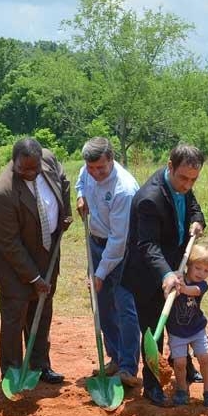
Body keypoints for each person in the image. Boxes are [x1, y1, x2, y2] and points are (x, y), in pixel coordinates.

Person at [121, 143, 206, 406]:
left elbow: (193, 205)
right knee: (152, 329)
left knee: (181, 319)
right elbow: (147, 245)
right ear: (170, 166)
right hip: (148, 274)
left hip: (176, 269)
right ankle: (152, 383)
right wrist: (165, 274)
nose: (188, 185)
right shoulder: (150, 198)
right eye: (183, 178)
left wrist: (197, 220)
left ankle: (184, 366)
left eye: (194, 179)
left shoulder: (184, 185)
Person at [0, 138, 71, 385]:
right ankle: (12, 372)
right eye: (23, 169)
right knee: (15, 315)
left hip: (47, 252)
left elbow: (63, 180)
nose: (30, 173)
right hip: (14, 264)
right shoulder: (1, 193)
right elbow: (10, 244)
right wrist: (34, 278)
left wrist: (65, 213)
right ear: (14, 162)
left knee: (43, 311)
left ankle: (40, 365)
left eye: (34, 168)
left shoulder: (47, 159)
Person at [75, 137, 141, 388]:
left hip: (123, 251)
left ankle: (127, 367)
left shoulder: (124, 189)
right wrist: (81, 195)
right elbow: (81, 178)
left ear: (112, 159)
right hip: (96, 241)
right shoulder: (88, 170)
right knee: (102, 305)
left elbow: (118, 241)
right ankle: (114, 356)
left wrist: (99, 274)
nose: (95, 173)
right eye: (91, 168)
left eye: (100, 168)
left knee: (124, 307)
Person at [166, 243, 208, 407]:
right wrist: (172, 282)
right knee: (180, 363)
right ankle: (182, 390)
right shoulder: (177, 278)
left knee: (204, 357)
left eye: (206, 271)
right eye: (198, 268)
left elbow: (194, 291)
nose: (201, 273)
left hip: (196, 329)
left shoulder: (202, 285)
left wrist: (182, 287)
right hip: (176, 330)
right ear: (188, 264)